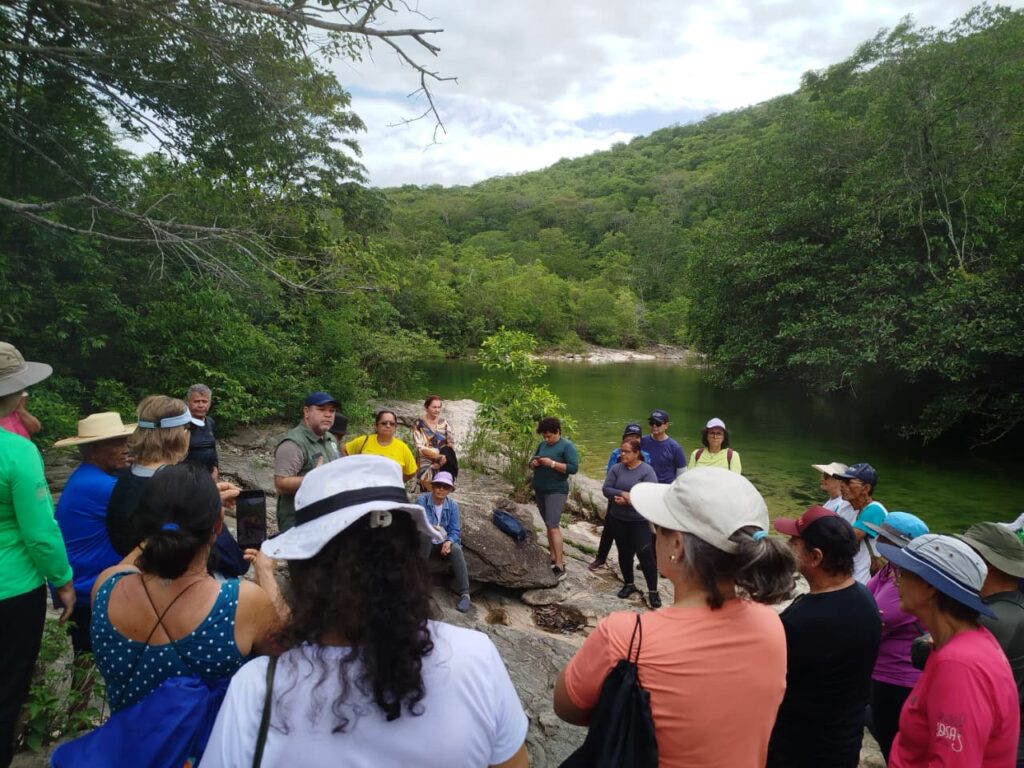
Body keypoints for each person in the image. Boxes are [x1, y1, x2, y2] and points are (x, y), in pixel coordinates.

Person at [202, 455, 530, 768]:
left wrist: (266, 575)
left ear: (304, 573)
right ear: (412, 560)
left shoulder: (257, 689)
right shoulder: (476, 659)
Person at [554, 468, 798, 768]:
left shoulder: (625, 636)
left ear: (677, 546)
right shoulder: (771, 626)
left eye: (658, 528)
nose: (653, 534)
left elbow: (567, 708)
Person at [90, 463, 281, 712]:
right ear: (217, 527)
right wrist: (266, 572)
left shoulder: (106, 586)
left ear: (146, 524)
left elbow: (146, 546)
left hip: (128, 746)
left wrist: (189, 508)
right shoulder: (240, 602)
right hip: (208, 749)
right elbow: (288, 658)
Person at [880, 534, 1019, 767]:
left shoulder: (958, 665)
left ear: (931, 587)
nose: (896, 582)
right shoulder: (966, 643)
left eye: (903, 573)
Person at [0, 342, 74, 768]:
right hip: (12, 590)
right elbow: (40, 532)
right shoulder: (17, 450)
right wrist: (61, 580)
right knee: (7, 692)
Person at [768, 506, 882, 768]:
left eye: (794, 542)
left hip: (799, 750)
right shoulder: (865, 600)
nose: (787, 546)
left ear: (816, 557)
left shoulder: (805, 621)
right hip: (843, 743)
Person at [53, 412, 137, 657]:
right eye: (116, 443)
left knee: (86, 661)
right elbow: (151, 509)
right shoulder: (101, 486)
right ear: (92, 450)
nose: (125, 448)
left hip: (84, 583)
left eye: (124, 441)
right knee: (94, 659)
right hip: (89, 588)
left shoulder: (87, 476)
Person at [862, 512, 930, 763]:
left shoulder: (908, 581)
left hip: (899, 678)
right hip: (881, 671)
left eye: (884, 537)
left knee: (894, 744)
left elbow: (876, 620)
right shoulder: (890, 569)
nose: (878, 540)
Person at [955, 522, 1024, 766]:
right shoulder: (1011, 605)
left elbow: (922, 654)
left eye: (968, 554)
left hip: (997, 747)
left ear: (987, 565)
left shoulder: (992, 619)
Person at [105, 395, 193, 555]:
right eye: (188, 428)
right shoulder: (182, 484)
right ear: (180, 434)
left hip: (131, 569)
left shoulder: (125, 478)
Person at [602, 436, 660, 607]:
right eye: (621, 451)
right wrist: (621, 493)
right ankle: (628, 584)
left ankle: (653, 591)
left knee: (645, 555)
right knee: (624, 553)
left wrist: (630, 499)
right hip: (618, 518)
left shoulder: (646, 471)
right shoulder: (617, 469)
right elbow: (606, 489)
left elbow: (651, 494)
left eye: (626, 452)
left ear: (636, 453)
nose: (622, 454)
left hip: (639, 520)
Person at [274, 392, 341, 532]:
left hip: (326, 518)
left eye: (332, 411)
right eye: (321, 410)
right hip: (299, 523)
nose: (328, 415)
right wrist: (312, 479)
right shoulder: (293, 443)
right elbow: (281, 484)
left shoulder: (330, 439)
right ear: (306, 412)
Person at [588, 422, 651, 571]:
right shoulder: (616, 453)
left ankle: (634, 561)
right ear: (624, 437)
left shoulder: (646, 456)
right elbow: (611, 474)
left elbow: (644, 479)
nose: (633, 439)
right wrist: (619, 494)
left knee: (637, 532)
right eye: (630, 436)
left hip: (635, 500)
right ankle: (600, 558)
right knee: (608, 529)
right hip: (616, 497)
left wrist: (630, 497)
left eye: (637, 436)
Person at [415, 471, 471, 613]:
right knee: (425, 535)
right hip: (425, 543)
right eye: (438, 485)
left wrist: (449, 541)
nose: (441, 489)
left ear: (450, 489)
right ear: (433, 486)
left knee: (457, 549)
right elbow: (421, 523)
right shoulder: (422, 500)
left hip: (441, 544)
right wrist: (431, 527)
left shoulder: (452, 506)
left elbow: (455, 530)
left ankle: (465, 594)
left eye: (445, 486)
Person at [530, 416, 579, 577]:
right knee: (548, 525)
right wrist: (534, 463)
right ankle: (552, 556)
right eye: (544, 436)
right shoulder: (542, 445)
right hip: (541, 489)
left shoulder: (567, 446)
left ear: (557, 432)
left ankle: (560, 564)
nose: (546, 439)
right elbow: (532, 461)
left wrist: (551, 463)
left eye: (549, 436)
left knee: (553, 525)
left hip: (556, 491)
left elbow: (572, 468)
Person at [836, 462, 887, 583]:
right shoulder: (845, 506)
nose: (842, 486)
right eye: (842, 481)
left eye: (848, 482)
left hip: (862, 578)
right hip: (844, 571)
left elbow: (846, 539)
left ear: (866, 488)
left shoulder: (875, 510)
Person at [343, 409, 418, 482]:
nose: (388, 426)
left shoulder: (402, 447)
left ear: (395, 428)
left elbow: (411, 471)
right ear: (376, 426)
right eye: (384, 423)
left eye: (392, 424)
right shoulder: (364, 441)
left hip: (389, 491)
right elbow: (344, 450)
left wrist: (397, 481)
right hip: (364, 488)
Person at [413, 394, 458, 491]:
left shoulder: (443, 422)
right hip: (426, 459)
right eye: (434, 407)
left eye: (439, 407)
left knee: (441, 490)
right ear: (426, 407)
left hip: (443, 460)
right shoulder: (418, 423)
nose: (437, 410)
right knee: (426, 493)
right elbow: (419, 447)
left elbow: (450, 442)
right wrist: (436, 456)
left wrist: (442, 457)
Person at [639, 409, 686, 484]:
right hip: (645, 485)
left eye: (658, 423)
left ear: (666, 425)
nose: (654, 426)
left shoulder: (675, 447)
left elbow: (682, 472)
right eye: (651, 423)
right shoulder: (642, 442)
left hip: (665, 487)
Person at [185, 383, 218, 474]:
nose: (201, 405)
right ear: (188, 403)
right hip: (186, 475)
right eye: (196, 401)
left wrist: (215, 468)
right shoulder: (182, 425)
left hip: (208, 474)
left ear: (210, 403)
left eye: (204, 401)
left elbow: (213, 448)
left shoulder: (210, 422)